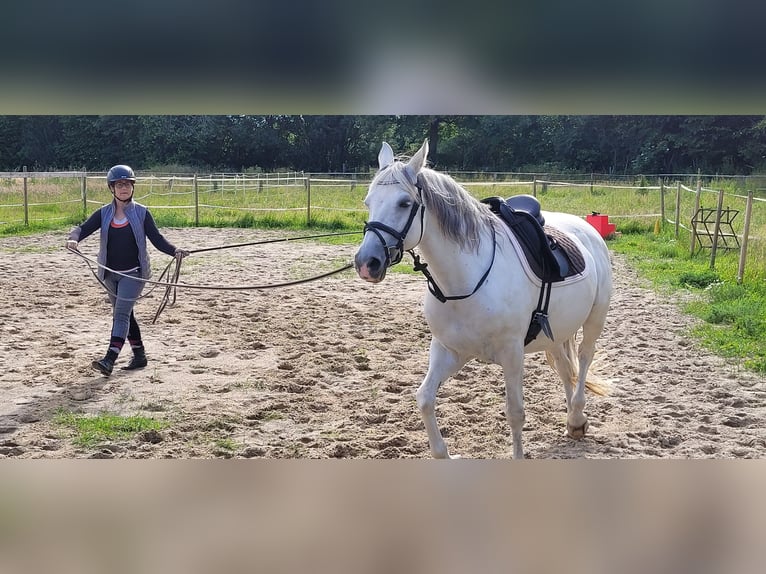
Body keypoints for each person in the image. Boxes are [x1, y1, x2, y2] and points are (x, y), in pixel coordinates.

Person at [67, 164, 189, 376]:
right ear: (111, 188)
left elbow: (157, 240)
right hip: (109, 274)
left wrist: (175, 250)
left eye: (127, 184)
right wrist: (73, 239)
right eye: (119, 184)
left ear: (133, 187)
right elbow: (83, 228)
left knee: (121, 314)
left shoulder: (142, 213)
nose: (124, 188)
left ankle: (109, 359)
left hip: (133, 273)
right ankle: (139, 355)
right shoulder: (103, 213)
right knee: (125, 313)